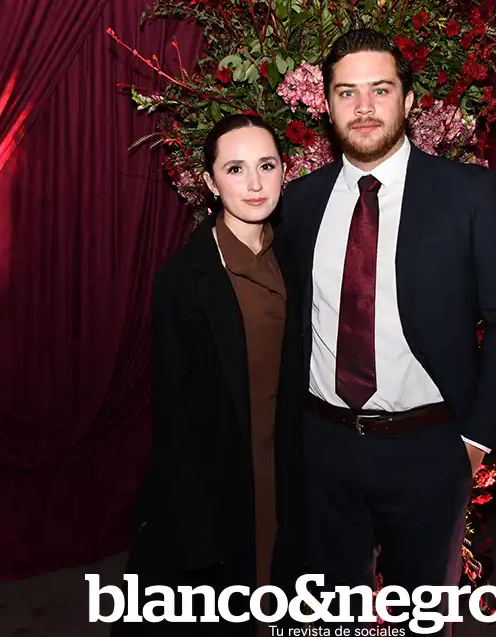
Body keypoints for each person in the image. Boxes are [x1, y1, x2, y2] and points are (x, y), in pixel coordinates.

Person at [275, 29, 496, 634]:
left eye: (380, 90)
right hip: (324, 447)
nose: (364, 107)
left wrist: (476, 440)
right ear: (326, 105)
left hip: (428, 448)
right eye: (347, 92)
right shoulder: (299, 202)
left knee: (422, 617)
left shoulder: (467, 194)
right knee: (330, 617)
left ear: (408, 100)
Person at [114, 113, 300, 637]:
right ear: (210, 182)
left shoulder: (296, 256)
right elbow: (175, 417)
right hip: (226, 480)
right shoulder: (183, 280)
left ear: (285, 171)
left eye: (266, 165)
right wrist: (195, 525)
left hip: (292, 470)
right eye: (235, 169)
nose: (255, 183)